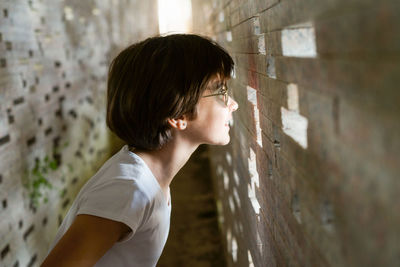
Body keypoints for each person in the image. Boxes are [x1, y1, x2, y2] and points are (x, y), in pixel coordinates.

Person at [41, 33, 238, 267]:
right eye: (221, 92)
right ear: (178, 115)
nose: (232, 104)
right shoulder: (128, 189)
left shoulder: (147, 178)